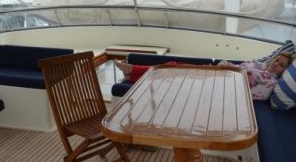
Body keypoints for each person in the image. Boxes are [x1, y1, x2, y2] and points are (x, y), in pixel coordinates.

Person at [115, 52, 293, 101]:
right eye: (277, 60)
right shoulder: (261, 65)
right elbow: (238, 65)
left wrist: (229, 71)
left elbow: (248, 94)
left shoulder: (269, 84)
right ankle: (132, 73)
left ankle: (132, 72)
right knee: (171, 67)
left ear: (283, 72)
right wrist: (224, 65)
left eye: (281, 65)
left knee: (171, 72)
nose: (276, 64)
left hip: (217, 84)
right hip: (215, 73)